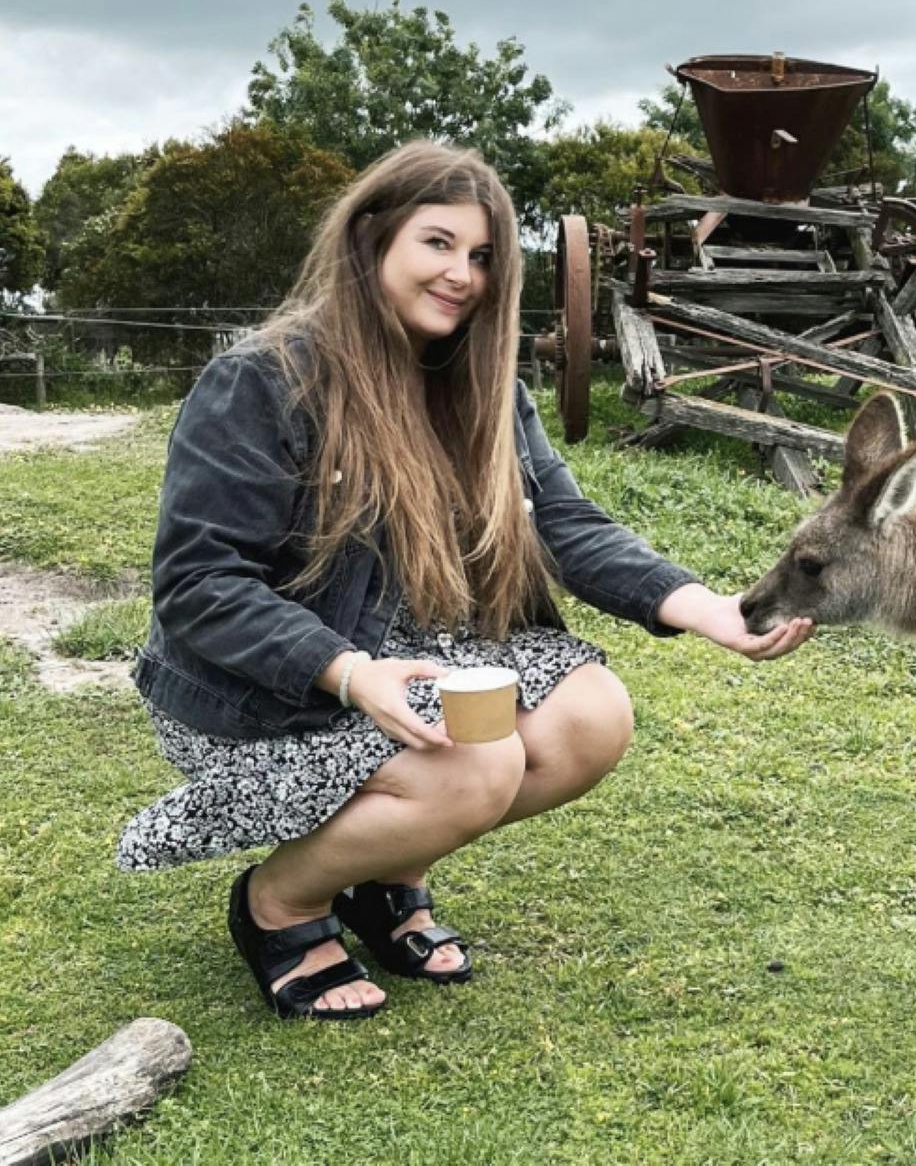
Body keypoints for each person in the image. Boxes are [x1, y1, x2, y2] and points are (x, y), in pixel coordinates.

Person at [118, 141, 812, 1021]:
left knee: (592, 718)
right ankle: (281, 904)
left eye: (482, 256)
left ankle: (382, 878)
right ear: (372, 239)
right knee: (475, 763)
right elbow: (200, 581)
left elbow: (562, 523)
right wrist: (349, 672)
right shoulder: (262, 379)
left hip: (409, 655)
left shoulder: (481, 385)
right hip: (268, 689)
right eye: (437, 244)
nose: (462, 274)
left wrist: (707, 609)